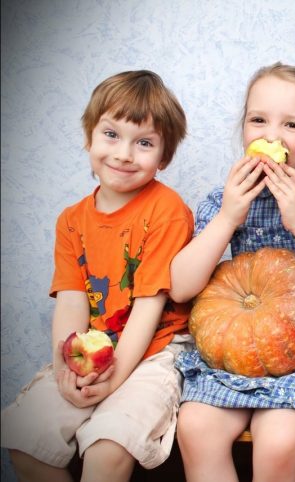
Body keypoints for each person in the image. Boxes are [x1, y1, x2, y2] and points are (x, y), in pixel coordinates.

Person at [169, 62, 295, 482]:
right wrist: (228, 216)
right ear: (243, 129)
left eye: (292, 124)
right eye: (258, 120)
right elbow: (181, 286)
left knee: (277, 440)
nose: (271, 136)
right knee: (195, 428)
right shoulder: (227, 197)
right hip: (240, 349)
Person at [1, 70, 194, 482]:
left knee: (108, 448)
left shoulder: (167, 210)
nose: (124, 153)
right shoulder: (71, 221)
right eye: (111, 134)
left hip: (155, 351)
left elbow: (149, 306)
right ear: (89, 138)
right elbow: (72, 301)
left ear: (163, 157)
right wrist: (65, 371)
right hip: (92, 349)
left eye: (143, 143)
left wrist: (113, 380)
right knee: (24, 439)